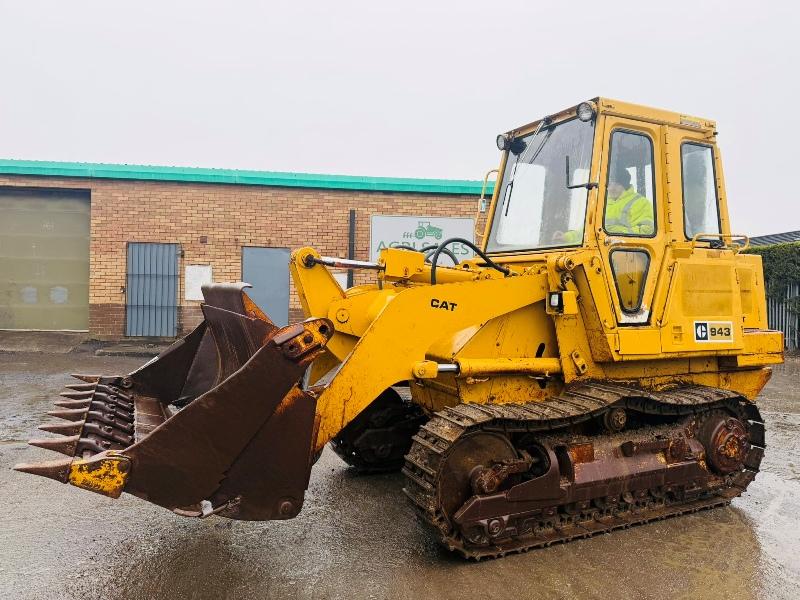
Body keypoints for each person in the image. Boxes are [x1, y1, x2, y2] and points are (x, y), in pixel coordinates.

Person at [604, 167, 654, 235]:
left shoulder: (641, 203)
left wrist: (615, 232)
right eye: (609, 184)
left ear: (625, 186)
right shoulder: (602, 203)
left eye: (617, 184)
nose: (612, 188)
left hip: (625, 245)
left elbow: (647, 231)